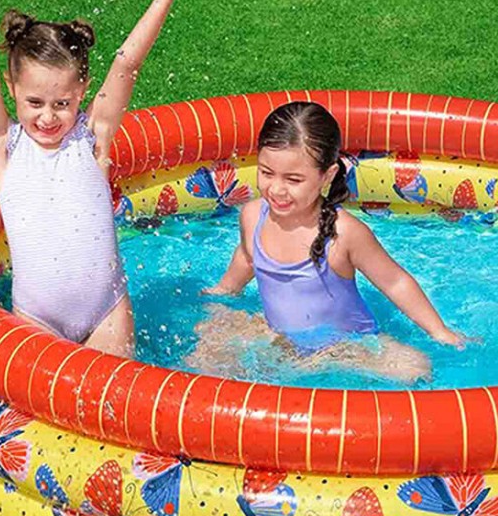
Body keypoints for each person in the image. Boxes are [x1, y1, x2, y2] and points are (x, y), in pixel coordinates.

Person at [0, 0, 192, 356]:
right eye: (34, 102)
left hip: (107, 312)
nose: (48, 117)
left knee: (117, 399)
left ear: (82, 91)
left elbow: (126, 65)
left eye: (62, 103)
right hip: (37, 317)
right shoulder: (3, 145)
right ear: (12, 90)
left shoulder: (93, 137)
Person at [191, 101, 465, 382]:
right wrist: (225, 290)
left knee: (416, 368)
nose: (276, 189)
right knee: (207, 341)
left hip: (346, 348)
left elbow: (395, 281)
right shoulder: (252, 215)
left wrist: (439, 331)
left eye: (293, 180)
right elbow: (248, 257)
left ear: (327, 175)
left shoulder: (343, 233)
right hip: (278, 337)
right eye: (266, 173)